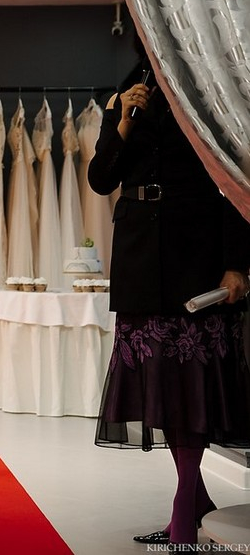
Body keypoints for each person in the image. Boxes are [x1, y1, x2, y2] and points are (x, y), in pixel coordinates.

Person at [87, 39, 250, 549]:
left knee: (190, 386)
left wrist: (237, 263)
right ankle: (194, 501)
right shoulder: (124, 96)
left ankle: (183, 510)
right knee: (160, 385)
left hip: (195, 255)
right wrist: (123, 122)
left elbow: (234, 181)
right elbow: (100, 179)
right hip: (138, 256)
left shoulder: (208, 93)